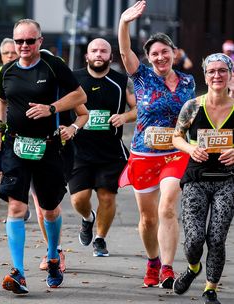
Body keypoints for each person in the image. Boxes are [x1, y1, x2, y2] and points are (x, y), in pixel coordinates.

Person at [0, 18, 87, 294]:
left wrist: (51, 109)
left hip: (48, 147)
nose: (23, 46)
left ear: (39, 42)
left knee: (50, 210)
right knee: (16, 209)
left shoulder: (53, 66)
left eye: (29, 41)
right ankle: (18, 272)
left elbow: (79, 96)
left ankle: (53, 256)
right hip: (15, 147)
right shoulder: (7, 71)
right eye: (19, 41)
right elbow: (3, 102)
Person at [118, 0, 196, 289]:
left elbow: (192, 115)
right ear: (148, 58)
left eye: (165, 52)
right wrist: (124, 23)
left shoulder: (188, 81)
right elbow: (125, 51)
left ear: (174, 53)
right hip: (143, 154)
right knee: (148, 218)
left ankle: (166, 267)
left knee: (167, 209)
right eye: (155, 54)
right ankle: (152, 261)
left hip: (176, 153)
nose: (161, 57)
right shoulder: (141, 77)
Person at [172, 53, 234, 304]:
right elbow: (177, 136)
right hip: (196, 178)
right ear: (205, 75)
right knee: (195, 239)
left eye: (222, 70)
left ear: (230, 74)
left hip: (227, 181)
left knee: (217, 238)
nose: (217, 75)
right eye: (212, 71)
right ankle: (193, 267)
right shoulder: (193, 106)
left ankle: (211, 289)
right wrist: (190, 149)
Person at [70, 38, 136, 257]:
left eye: (103, 51)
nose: (99, 54)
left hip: (110, 152)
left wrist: (125, 116)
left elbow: (139, 108)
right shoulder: (74, 79)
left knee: (107, 197)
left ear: (111, 56)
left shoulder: (121, 81)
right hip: (79, 150)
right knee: (79, 199)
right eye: (94, 51)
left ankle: (100, 239)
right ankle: (88, 219)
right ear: (87, 56)